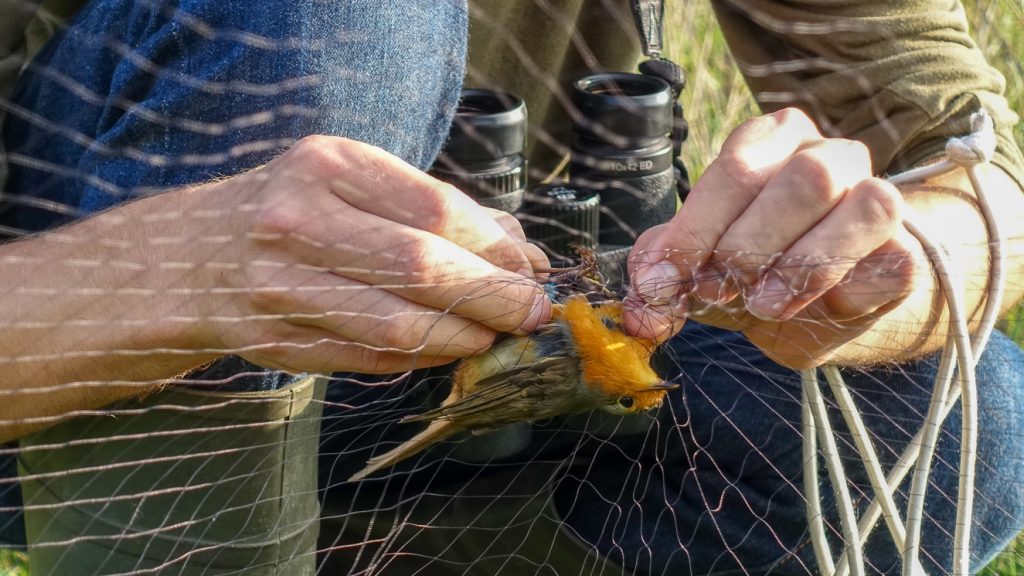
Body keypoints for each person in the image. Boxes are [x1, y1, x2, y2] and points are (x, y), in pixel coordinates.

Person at [0, 0, 1022, 574]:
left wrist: (871, 267)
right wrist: (159, 275)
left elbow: (986, 186)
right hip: (63, 392)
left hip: (477, 383)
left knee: (959, 423)